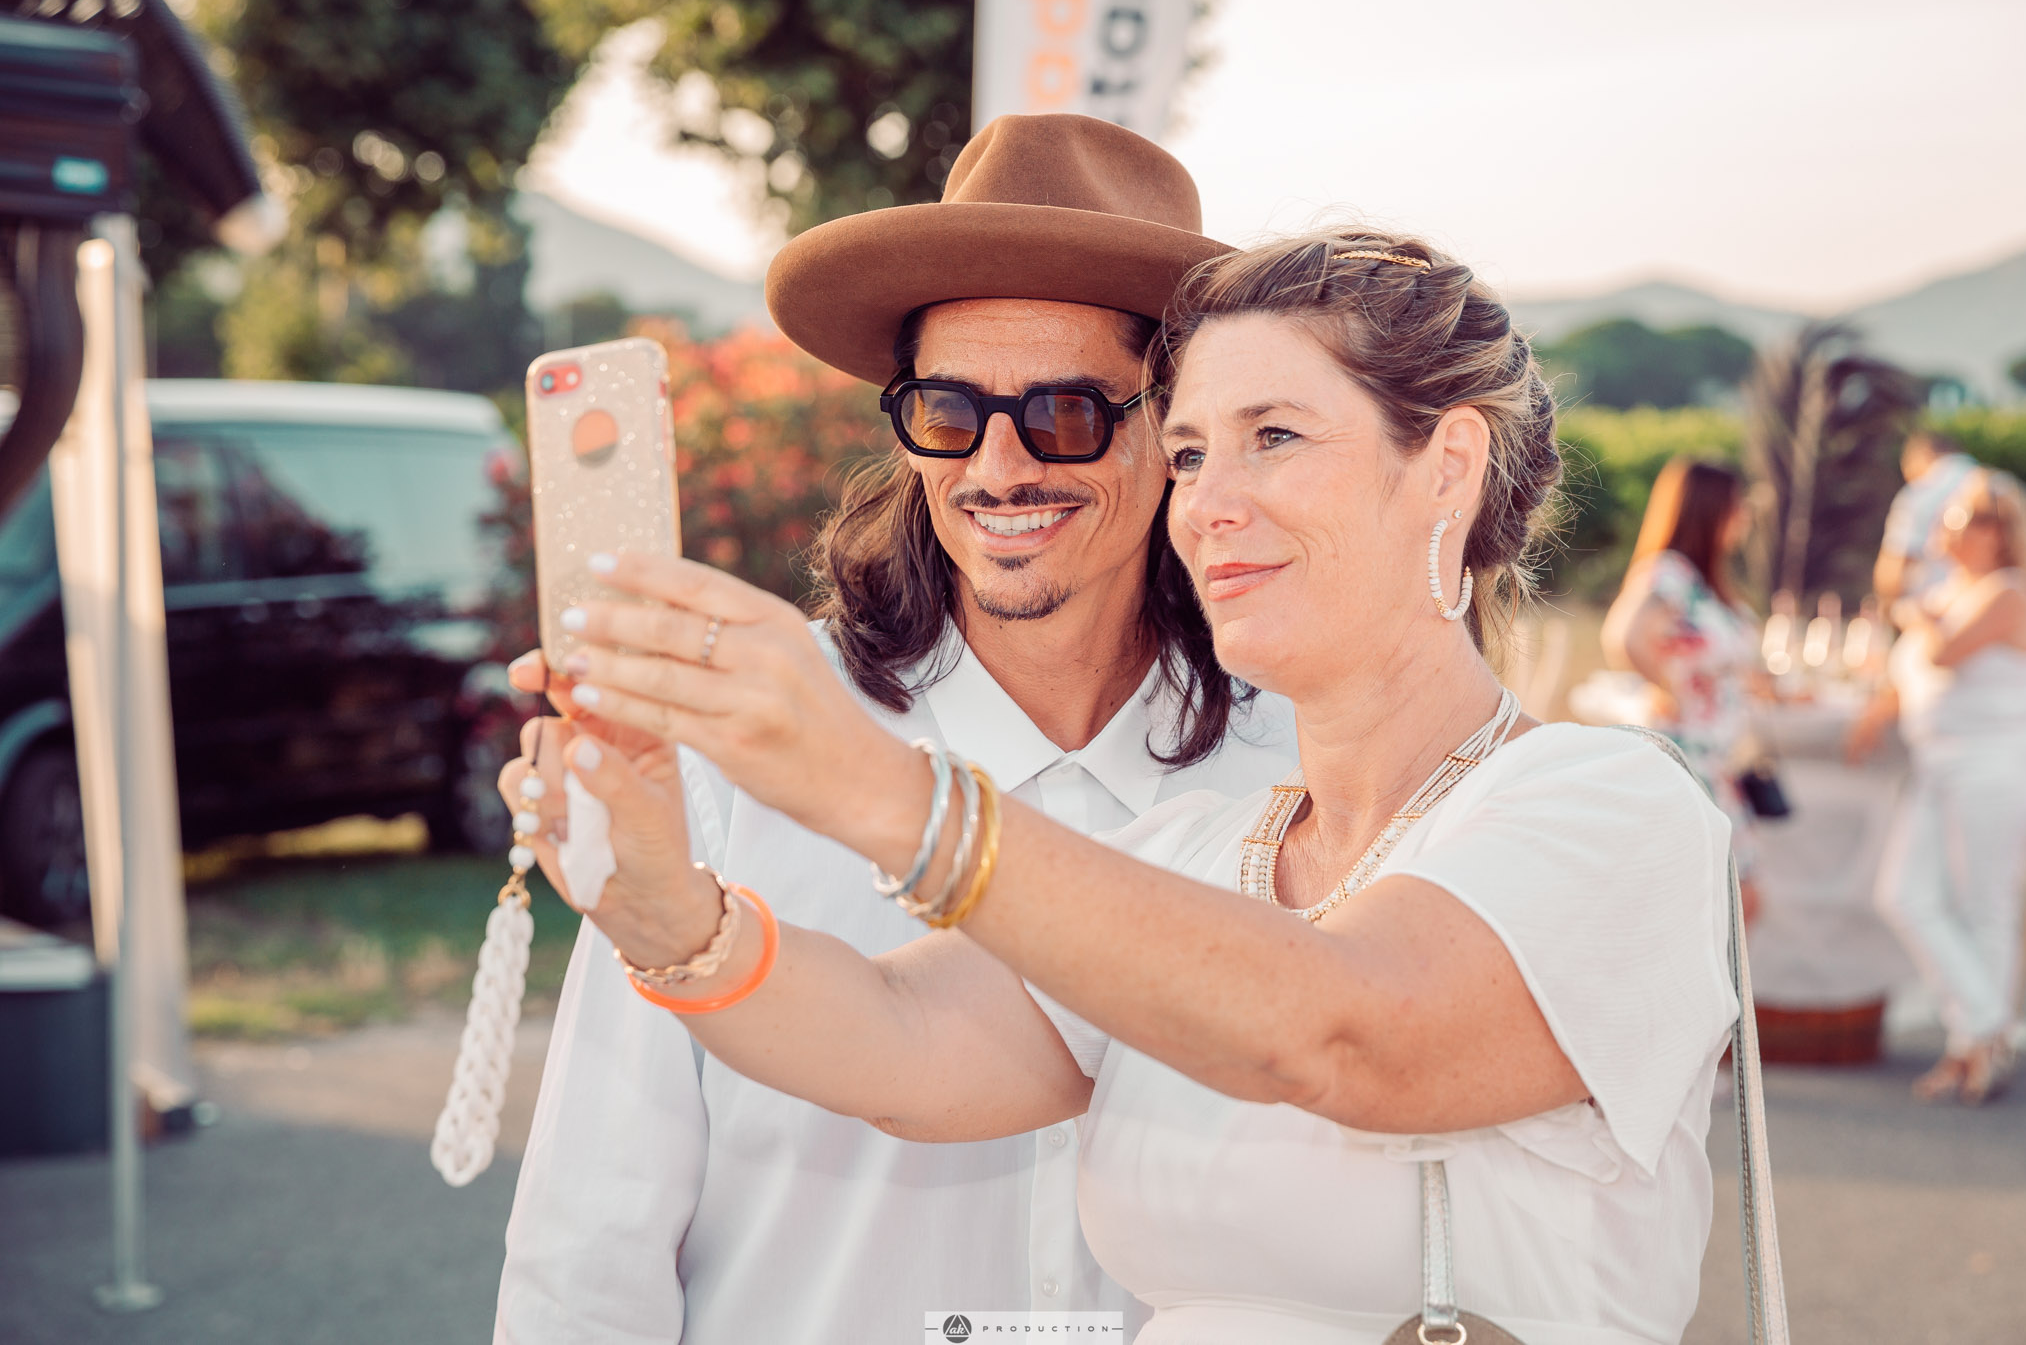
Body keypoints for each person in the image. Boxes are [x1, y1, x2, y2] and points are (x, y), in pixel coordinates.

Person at [513, 230, 1739, 1344]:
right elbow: (904, 1043)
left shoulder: (1611, 806)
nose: (1207, 502)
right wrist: (667, 911)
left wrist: (865, 782)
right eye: (1192, 449)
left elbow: (1342, 1031)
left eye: (1273, 437)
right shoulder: (1197, 852)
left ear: (1447, 468)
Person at [493, 114, 1298, 1343]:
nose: (996, 463)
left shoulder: (1298, 770)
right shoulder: (726, 742)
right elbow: (590, 1228)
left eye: (1067, 413)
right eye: (945, 408)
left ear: (1175, 429)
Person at [1849, 468, 2026, 1104]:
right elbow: (1909, 674)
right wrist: (1877, 714)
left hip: (1995, 765)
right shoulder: (1948, 591)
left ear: (2000, 533)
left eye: (1965, 521)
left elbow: (1941, 652)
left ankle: (1974, 1050)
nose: (1950, 532)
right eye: (1951, 519)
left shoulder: (2008, 592)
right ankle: (1989, 1029)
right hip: (1940, 766)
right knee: (1904, 895)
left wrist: (1911, 603)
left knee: (1985, 907)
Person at [1601, 457, 1765, 916]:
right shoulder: (1669, 574)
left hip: (1719, 757)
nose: (1745, 517)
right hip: (1689, 755)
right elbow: (1623, 635)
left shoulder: (1704, 584)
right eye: (1737, 506)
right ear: (1710, 510)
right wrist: (1667, 689)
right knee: (1730, 898)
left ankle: (1712, 988)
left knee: (1732, 900)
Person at [1874, 430, 1977, 607]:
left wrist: (1889, 613)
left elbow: (1892, 572)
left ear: (1922, 455)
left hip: (1937, 615)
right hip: (1994, 611)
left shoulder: (1920, 493)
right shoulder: (2002, 487)